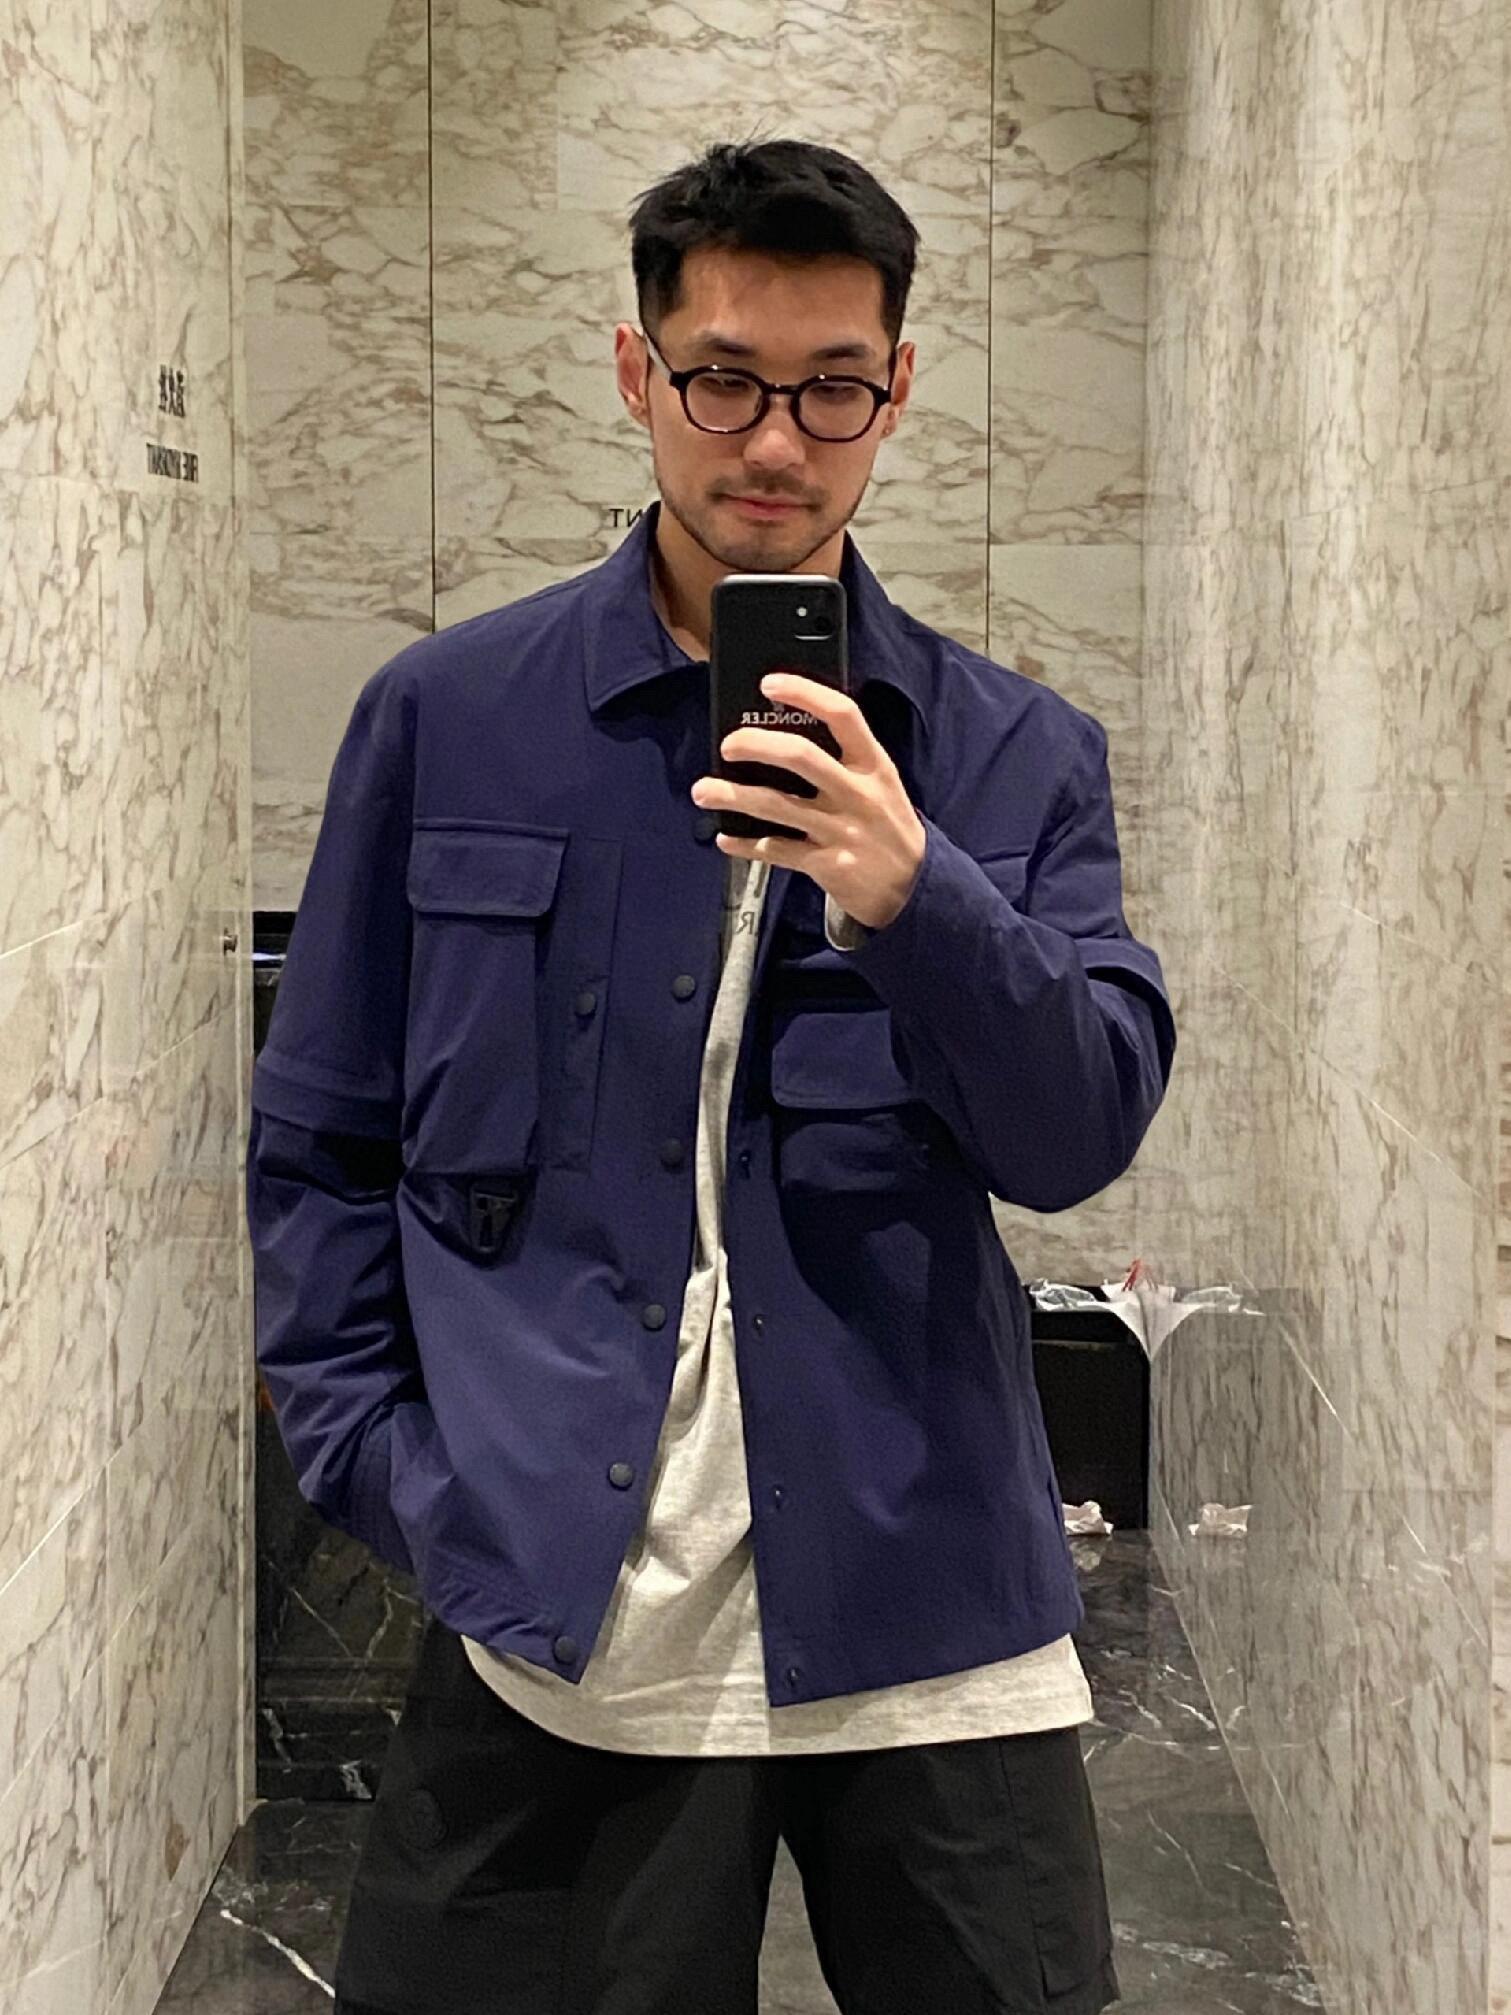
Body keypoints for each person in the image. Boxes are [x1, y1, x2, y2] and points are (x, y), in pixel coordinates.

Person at [246, 136, 1175, 2015]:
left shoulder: (1014, 753)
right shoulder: (450, 719)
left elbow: (1076, 1131)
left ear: (896, 389)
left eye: (832, 388)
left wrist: (917, 896)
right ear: (636, 371)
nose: (775, 441)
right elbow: (322, 1141)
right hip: (553, 1605)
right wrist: (400, 1473)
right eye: (725, 380)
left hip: (929, 1603)